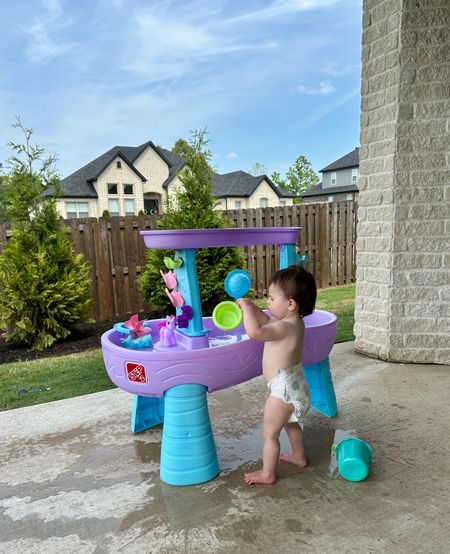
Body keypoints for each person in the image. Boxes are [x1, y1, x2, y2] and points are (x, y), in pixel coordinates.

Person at [237, 264, 317, 485]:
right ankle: (298, 456)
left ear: (290, 303)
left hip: (281, 390)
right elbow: (266, 322)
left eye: (272, 299)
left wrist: (245, 309)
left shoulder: (284, 327)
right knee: (290, 423)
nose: (268, 303)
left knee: (269, 433)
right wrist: (253, 308)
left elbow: (256, 331)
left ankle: (267, 473)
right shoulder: (294, 323)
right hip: (294, 385)